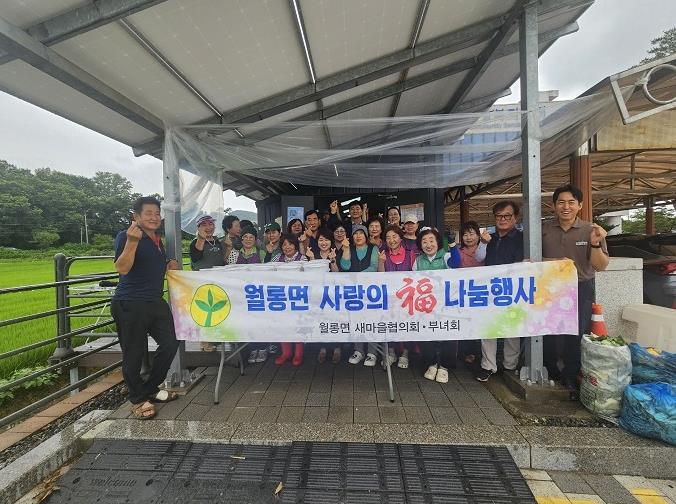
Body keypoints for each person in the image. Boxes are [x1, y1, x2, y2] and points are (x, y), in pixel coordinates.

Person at [111, 196, 180, 420]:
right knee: (133, 352)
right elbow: (122, 268)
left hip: (154, 301)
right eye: (148, 213)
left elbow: (151, 264)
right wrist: (132, 242)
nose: (154, 217)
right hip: (130, 303)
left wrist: (168, 263)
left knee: (171, 341)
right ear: (136, 216)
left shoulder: (157, 240)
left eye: (157, 213)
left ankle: (149, 388)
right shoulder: (126, 236)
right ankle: (138, 399)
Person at [542, 184, 609, 391]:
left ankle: (571, 374)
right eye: (561, 202)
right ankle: (550, 369)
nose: (566, 207)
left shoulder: (591, 230)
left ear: (580, 205)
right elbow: (531, 260)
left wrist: (595, 243)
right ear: (554, 205)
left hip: (581, 287)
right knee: (549, 330)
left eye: (571, 202)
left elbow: (601, 265)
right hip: (550, 288)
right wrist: (555, 262)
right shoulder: (544, 229)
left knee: (576, 332)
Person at [476, 200, 524, 382]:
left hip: (513, 289)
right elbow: (479, 258)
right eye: (499, 216)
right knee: (489, 327)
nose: (503, 219)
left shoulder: (522, 238)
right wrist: (483, 242)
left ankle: (510, 366)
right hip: (490, 289)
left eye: (507, 216)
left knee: (512, 328)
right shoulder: (490, 238)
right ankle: (488, 365)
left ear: (515, 217)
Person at [414, 227, 456, 383]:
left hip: (446, 305)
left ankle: (444, 366)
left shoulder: (445, 256)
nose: (428, 244)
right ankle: (431, 363)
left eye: (431, 240)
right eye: (424, 241)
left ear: (438, 242)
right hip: (426, 306)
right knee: (427, 333)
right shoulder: (418, 261)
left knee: (448, 333)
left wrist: (452, 244)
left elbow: (456, 263)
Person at [340, 225, 380, 366]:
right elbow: (345, 266)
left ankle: (372, 353)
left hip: (370, 291)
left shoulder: (373, 248)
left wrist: (356, 277)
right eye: (355, 234)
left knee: (371, 320)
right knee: (356, 320)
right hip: (354, 291)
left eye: (361, 233)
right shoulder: (349, 248)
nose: (358, 236)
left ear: (366, 235)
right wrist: (345, 249)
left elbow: (374, 267)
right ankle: (358, 350)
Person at [378, 225, 416, 368]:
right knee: (390, 324)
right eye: (388, 237)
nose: (391, 240)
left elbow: (416, 276)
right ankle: (391, 353)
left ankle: (405, 354)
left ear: (401, 238)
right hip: (390, 300)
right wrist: (381, 262)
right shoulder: (384, 255)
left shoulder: (410, 254)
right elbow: (380, 277)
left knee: (407, 325)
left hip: (408, 299)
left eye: (394, 236)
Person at [307, 228, 341, 363]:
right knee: (321, 320)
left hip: (333, 294)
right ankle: (322, 349)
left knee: (335, 320)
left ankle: (337, 348)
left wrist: (333, 260)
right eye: (321, 240)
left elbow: (337, 274)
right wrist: (311, 259)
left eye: (326, 240)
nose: (324, 242)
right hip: (318, 294)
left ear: (331, 241)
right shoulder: (313, 254)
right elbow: (311, 275)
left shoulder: (336, 253)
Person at [456, 220, 488, 366]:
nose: (468, 238)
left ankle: (479, 353)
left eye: (471, 234)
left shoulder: (485, 249)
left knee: (480, 324)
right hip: (463, 294)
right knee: (466, 323)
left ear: (478, 235)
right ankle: (466, 352)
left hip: (481, 293)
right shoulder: (458, 252)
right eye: (465, 235)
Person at [274, 233, 307, 366]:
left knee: (297, 324)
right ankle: (286, 353)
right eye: (284, 245)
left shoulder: (302, 258)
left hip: (297, 297)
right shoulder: (277, 258)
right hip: (281, 297)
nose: (287, 247)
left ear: (295, 245)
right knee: (283, 324)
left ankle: (298, 353)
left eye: (290, 244)